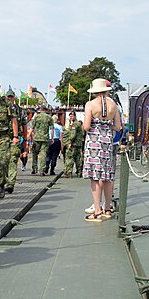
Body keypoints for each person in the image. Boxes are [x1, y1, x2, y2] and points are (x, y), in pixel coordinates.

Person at [82, 79, 122, 222]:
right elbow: (118, 127)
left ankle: (97, 211)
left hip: (94, 142)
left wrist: (94, 125)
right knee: (108, 176)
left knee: (95, 176)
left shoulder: (90, 104)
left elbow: (86, 126)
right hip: (108, 142)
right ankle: (107, 208)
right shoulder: (113, 105)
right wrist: (107, 126)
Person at [5, 90, 24, 193]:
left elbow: (24, 125)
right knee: (2, 161)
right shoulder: (2, 108)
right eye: (8, 97)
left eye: (11, 97)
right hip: (3, 138)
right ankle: (4, 180)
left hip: (15, 139)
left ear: (14, 98)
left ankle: (10, 183)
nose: (9, 99)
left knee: (12, 160)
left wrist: (24, 140)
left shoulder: (20, 111)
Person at [29, 105, 53, 175]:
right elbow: (52, 129)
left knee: (35, 153)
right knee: (44, 154)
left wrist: (29, 136)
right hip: (45, 138)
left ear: (40, 109)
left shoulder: (36, 117)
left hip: (36, 138)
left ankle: (34, 168)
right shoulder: (49, 117)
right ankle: (42, 170)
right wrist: (51, 138)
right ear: (45, 110)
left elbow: (32, 128)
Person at [64, 111, 84, 178]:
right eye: (70, 116)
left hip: (74, 144)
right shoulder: (79, 124)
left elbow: (73, 134)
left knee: (70, 158)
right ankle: (79, 172)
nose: (71, 118)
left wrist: (69, 142)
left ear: (75, 116)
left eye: (72, 116)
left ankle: (69, 172)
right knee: (78, 159)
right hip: (79, 144)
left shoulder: (74, 124)